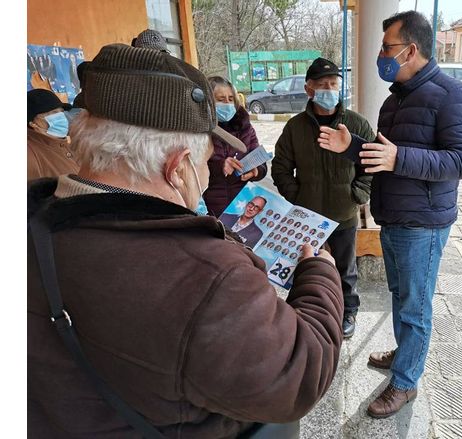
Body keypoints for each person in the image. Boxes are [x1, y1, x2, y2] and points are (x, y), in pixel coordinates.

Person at [28, 43, 344, 437]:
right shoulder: (209, 275)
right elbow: (298, 377)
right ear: (178, 169)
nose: (206, 172)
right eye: (204, 160)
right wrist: (320, 275)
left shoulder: (29, 225)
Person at [317, 11, 462, 418]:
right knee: (401, 297)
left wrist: (398, 157)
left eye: (387, 47)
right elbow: (384, 155)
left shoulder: (453, 95)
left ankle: (406, 382)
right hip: (393, 217)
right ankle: (404, 354)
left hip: (422, 223)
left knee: (415, 306)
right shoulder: (395, 98)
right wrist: (351, 145)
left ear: (410, 50)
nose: (380, 54)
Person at [272, 57, 375, 339]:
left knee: (345, 268)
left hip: (343, 213)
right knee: (305, 265)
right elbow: (280, 166)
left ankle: (348, 311)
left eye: (333, 84)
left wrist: (358, 193)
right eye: (321, 85)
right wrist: (296, 196)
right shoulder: (295, 128)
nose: (328, 89)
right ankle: (305, 313)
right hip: (307, 216)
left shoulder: (357, 124)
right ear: (309, 89)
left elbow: (369, 165)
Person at [203, 76, 267, 216]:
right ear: (208, 102)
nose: (227, 103)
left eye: (230, 99)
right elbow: (192, 169)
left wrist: (256, 171)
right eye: (220, 99)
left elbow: (261, 163)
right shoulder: (200, 130)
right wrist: (221, 166)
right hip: (211, 208)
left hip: (242, 205)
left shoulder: (244, 127)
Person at [27, 88, 79, 180]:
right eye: (53, 113)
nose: (61, 117)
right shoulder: (30, 154)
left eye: (61, 112)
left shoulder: (67, 144)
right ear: (33, 123)